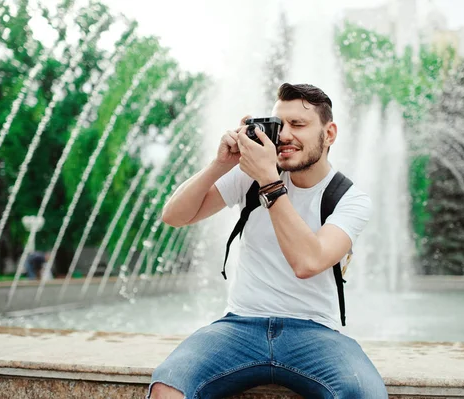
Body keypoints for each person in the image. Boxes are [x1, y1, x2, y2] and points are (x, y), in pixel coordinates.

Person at [148, 83, 387, 399]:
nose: (285, 135)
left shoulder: (349, 198)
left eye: (298, 125)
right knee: (168, 386)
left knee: (365, 394)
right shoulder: (251, 176)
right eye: (280, 125)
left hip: (314, 332)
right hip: (239, 326)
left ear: (329, 134)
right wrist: (221, 164)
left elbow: (308, 262)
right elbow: (175, 216)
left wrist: (270, 183)